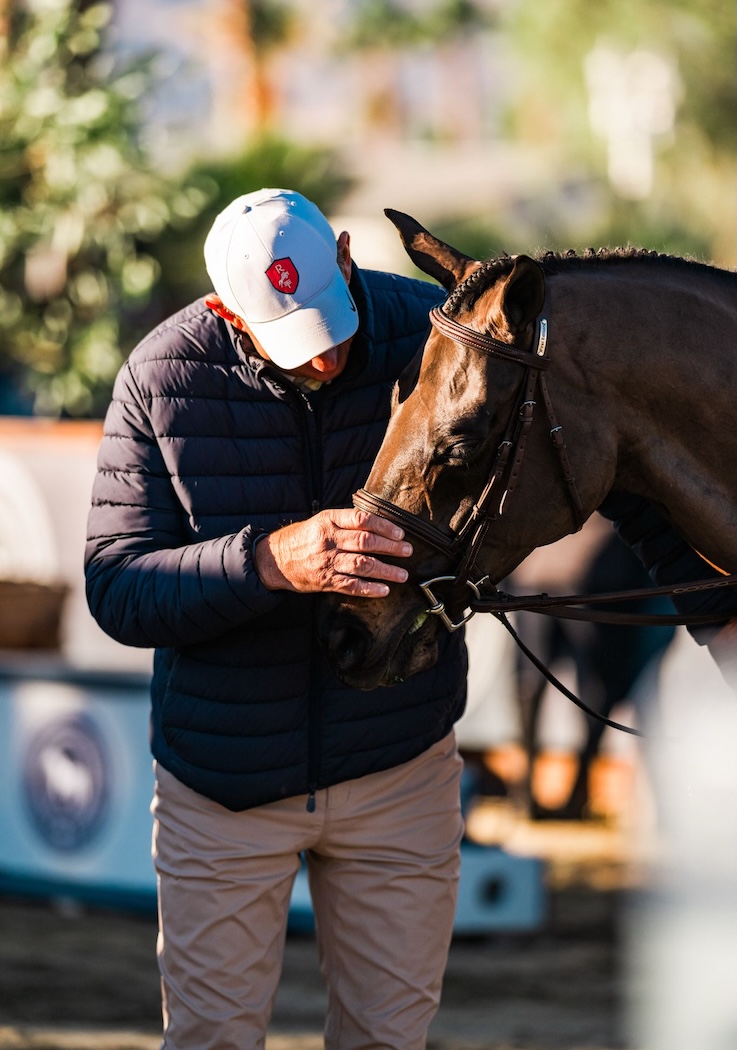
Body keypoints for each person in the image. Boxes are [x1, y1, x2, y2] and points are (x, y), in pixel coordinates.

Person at [85, 188, 468, 1050]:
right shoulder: (160, 374)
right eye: (295, 340)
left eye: (331, 325)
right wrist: (267, 561)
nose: (327, 360)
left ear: (342, 253)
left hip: (398, 763)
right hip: (220, 784)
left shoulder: (436, 332)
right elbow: (115, 587)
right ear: (224, 309)